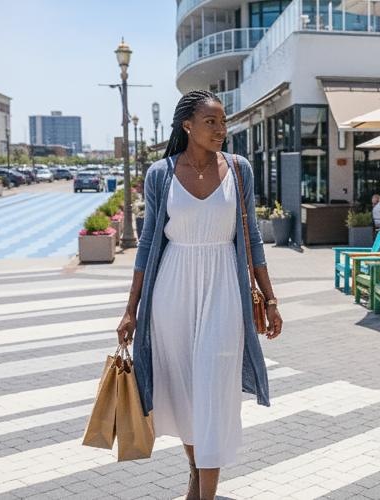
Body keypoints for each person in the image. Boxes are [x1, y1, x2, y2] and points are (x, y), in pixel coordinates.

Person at [116, 90, 283, 500]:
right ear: (187, 125)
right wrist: (131, 311)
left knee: (215, 390)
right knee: (185, 394)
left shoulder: (240, 170)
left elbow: (254, 240)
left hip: (224, 288)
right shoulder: (162, 173)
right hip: (171, 294)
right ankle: (195, 475)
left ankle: (203, 495)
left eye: (223, 122)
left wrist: (271, 298)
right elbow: (149, 244)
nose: (221, 129)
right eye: (211, 122)